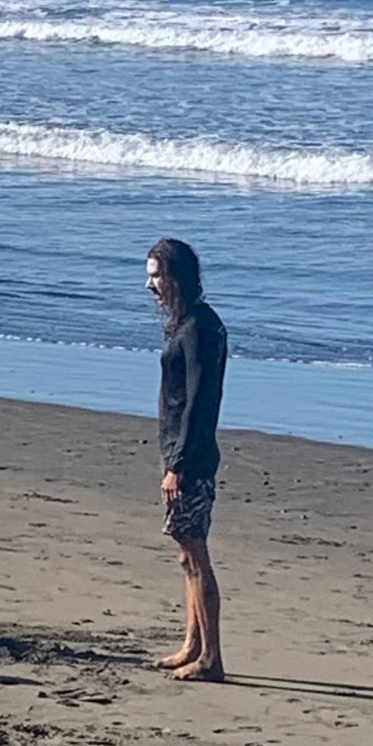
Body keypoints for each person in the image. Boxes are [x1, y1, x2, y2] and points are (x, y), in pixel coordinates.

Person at [145, 237, 228, 682]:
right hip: (180, 456)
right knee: (185, 556)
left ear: (177, 277)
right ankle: (192, 644)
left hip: (190, 461)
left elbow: (200, 403)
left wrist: (177, 465)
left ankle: (211, 658)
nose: (151, 285)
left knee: (196, 556)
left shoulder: (199, 327)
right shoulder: (189, 324)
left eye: (157, 276)